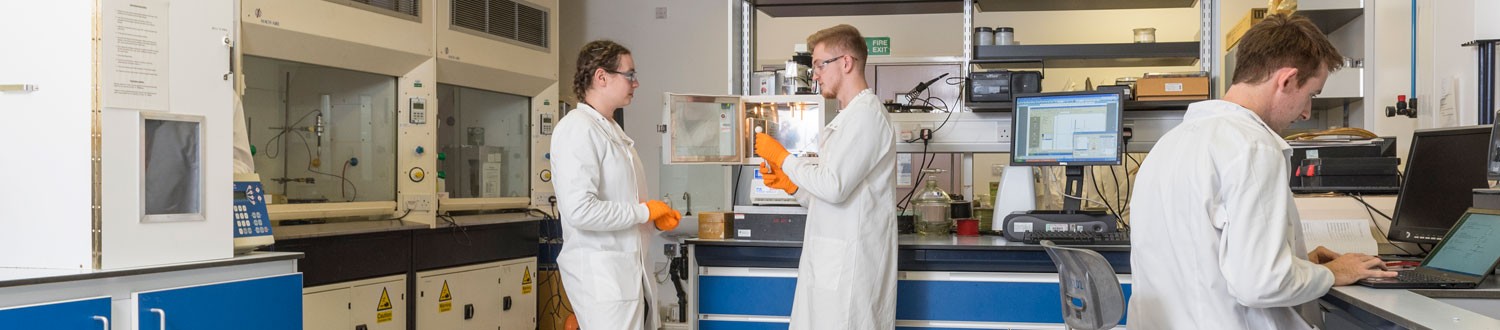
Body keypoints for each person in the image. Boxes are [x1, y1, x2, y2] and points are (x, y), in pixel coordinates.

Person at [1127, 14, 1397, 329]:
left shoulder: (1167, 145)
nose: (1307, 111)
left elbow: (1205, 262)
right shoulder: (1253, 146)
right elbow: (1261, 284)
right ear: (1286, 80)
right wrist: (1334, 273)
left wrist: (1298, 266)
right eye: (1311, 94)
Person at [755, 24, 897, 330]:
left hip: (851, 273)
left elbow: (834, 187)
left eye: (820, 65)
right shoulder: (847, 119)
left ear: (846, 63)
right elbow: (830, 192)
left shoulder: (867, 117)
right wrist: (793, 186)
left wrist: (784, 158)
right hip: (832, 265)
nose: (815, 74)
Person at [550, 40, 681, 330]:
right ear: (601, 77)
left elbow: (620, 202)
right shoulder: (577, 129)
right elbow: (580, 211)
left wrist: (653, 221)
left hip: (627, 279)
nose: (636, 83)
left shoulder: (610, 129)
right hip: (603, 282)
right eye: (630, 75)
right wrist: (644, 212)